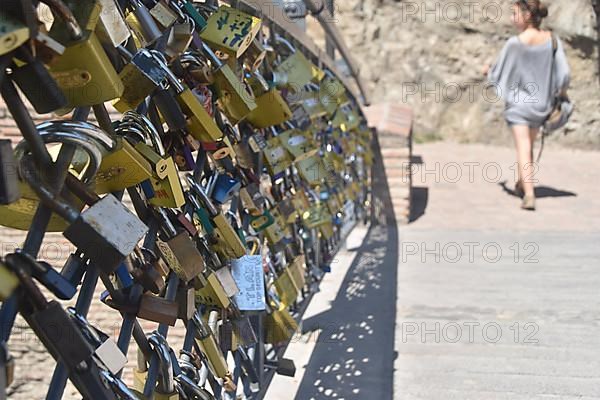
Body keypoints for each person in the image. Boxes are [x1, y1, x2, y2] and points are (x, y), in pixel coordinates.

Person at [484, 0, 570, 210]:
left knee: (523, 147)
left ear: (527, 15)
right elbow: (565, 74)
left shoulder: (515, 43)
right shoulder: (553, 41)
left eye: (514, 14)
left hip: (519, 106)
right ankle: (523, 183)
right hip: (542, 106)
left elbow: (499, 73)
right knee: (528, 147)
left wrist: (487, 72)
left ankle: (529, 194)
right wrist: (560, 94)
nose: (511, 18)